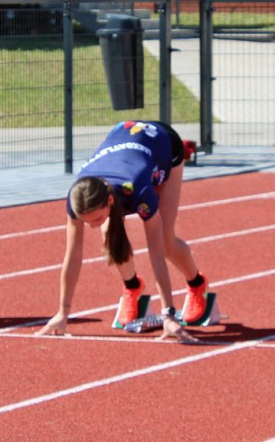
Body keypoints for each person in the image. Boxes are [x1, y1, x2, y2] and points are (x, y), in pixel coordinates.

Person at [37, 120, 207, 341]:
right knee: (108, 234)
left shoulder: (139, 191)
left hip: (163, 145)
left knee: (165, 242)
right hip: (125, 140)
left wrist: (169, 315)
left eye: (96, 218)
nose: (91, 225)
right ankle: (133, 286)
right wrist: (63, 313)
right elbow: (73, 257)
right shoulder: (77, 196)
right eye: (85, 221)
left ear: (109, 200)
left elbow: (155, 255)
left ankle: (197, 284)